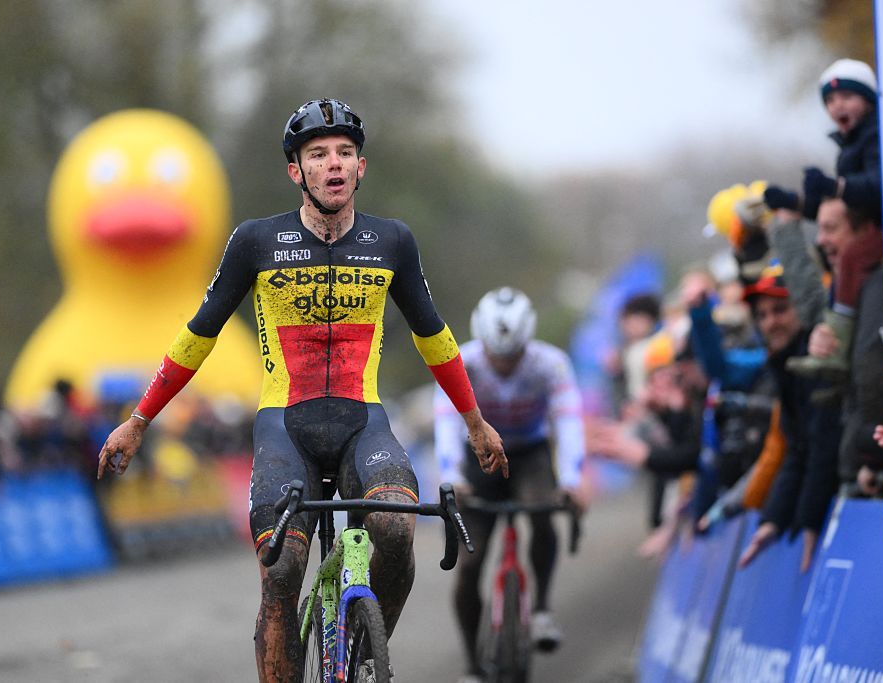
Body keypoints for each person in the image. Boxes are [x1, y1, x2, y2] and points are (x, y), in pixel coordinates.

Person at [94, 98, 508, 682]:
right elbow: (198, 337)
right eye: (319, 155)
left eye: (345, 153)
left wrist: (474, 421)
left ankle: (365, 652)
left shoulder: (392, 241)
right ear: (297, 171)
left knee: (395, 526)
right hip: (284, 424)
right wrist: (138, 420)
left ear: (361, 167)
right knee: (283, 570)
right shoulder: (256, 242)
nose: (334, 164)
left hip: (364, 422)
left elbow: (434, 337)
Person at [434, 287, 586, 683]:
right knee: (470, 563)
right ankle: (472, 664)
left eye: (513, 356)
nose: (503, 365)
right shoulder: (462, 362)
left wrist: (570, 480)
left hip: (530, 454)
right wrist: (452, 476)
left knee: (542, 511)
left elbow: (569, 422)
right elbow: (446, 422)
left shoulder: (551, 364)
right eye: (496, 355)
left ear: (527, 341)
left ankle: (541, 612)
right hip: (479, 458)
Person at [763, 58, 883, 380]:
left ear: (869, 100)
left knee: (852, 257)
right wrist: (793, 203)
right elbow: (838, 207)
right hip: (865, 229)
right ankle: (834, 346)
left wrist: (836, 186)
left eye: (846, 97)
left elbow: (880, 189)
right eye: (830, 100)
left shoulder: (878, 136)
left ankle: (838, 346)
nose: (836, 106)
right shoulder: (849, 146)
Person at [735, 265, 842, 573]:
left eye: (780, 309)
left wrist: (809, 521)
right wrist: (773, 520)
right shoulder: (784, 365)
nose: (771, 322)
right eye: (762, 315)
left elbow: (824, 445)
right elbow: (796, 448)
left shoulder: (815, 358)